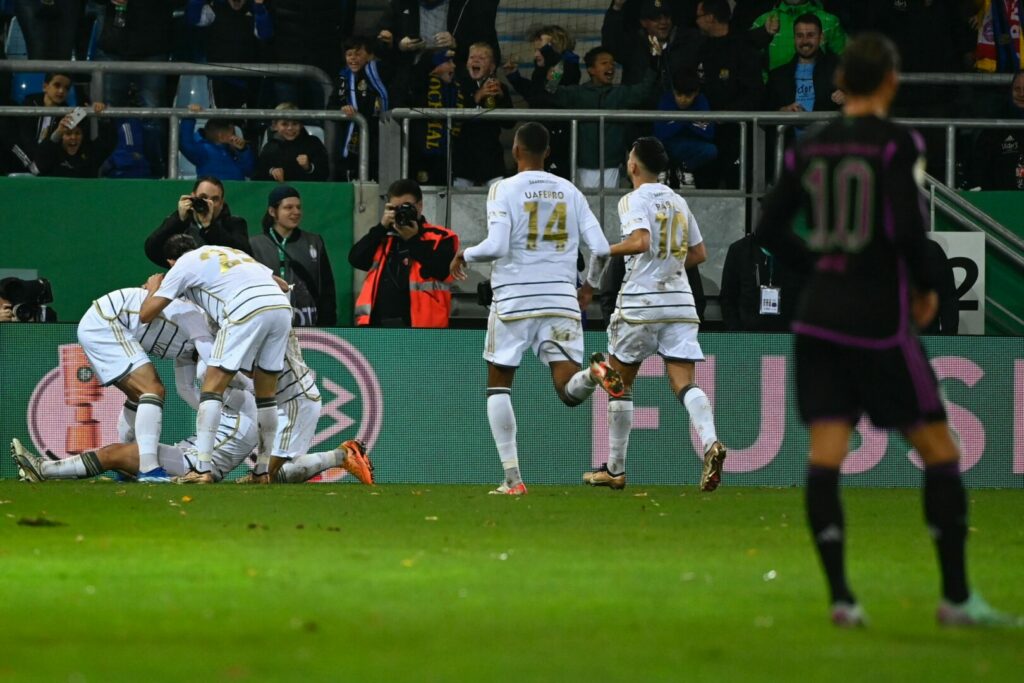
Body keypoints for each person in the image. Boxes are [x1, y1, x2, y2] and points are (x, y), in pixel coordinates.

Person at [753, 33, 1020, 627]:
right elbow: (905, 229)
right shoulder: (898, 144)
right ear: (892, 82)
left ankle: (843, 600)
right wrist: (929, 288)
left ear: (840, 82)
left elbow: (769, 227)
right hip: (876, 318)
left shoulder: (809, 148)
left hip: (819, 318)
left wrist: (820, 264)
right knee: (938, 449)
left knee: (826, 455)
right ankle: (956, 598)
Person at [449, 122, 624, 495]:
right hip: (561, 300)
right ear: (547, 153)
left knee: (498, 388)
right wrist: (589, 285)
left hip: (514, 300)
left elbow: (496, 246)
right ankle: (594, 374)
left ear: (516, 150)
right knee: (567, 390)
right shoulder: (571, 191)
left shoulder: (503, 189)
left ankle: (513, 479)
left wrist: (465, 253)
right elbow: (603, 249)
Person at [583, 137, 726, 493]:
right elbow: (700, 252)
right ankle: (711, 442)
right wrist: (669, 267)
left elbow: (641, 241)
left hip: (641, 303)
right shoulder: (677, 200)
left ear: (633, 166)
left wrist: (606, 250)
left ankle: (615, 469)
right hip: (680, 301)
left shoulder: (632, 199)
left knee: (618, 382)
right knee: (684, 382)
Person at [140, 234, 293, 484]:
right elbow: (283, 285)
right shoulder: (228, 250)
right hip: (280, 309)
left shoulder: (181, 266)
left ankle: (202, 469)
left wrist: (155, 288)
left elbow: (146, 314)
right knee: (266, 396)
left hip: (245, 308)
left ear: (170, 261)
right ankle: (262, 471)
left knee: (211, 386)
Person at [75, 286, 214, 481]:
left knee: (138, 396)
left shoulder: (189, 349)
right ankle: (148, 468)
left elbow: (186, 389)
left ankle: (125, 467)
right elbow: (213, 368)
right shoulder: (199, 322)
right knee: (152, 390)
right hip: (108, 320)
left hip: (101, 322)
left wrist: (215, 416)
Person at [11, 375, 258, 484]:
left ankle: (43, 470)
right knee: (118, 454)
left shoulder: (250, 403)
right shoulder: (238, 401)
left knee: (115, 453)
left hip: (193, 467)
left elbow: (216, 371)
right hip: (185, 456)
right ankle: (45, 470)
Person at [234, 330, 374, 485]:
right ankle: (342, 455)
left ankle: (343, 455)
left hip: (295, 401)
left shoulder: (268, 321)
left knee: (268, 476)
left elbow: (252, 371)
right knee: (276, 474)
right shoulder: (261, 320)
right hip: (285, 401)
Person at [350, 178, 459, 328]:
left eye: (406, 207)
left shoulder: (441, 237)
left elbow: (443, 270)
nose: (401, 212)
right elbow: (356, 259)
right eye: (395, 208)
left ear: (419, 206)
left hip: (423, 329)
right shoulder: (383, 238)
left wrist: (412, 240)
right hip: (377, 327)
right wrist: (381, 227)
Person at [250, 185, 338, 327]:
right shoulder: (255, 245)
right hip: (268, 325)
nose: (296, 212)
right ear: (272, 211)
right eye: (288, 207)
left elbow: (327, 289)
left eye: (298, 207)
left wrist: (328, 324)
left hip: (307, 326)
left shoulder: (314, 242)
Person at [503, 25, 581, 179]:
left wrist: (547, 50)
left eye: (540, 50)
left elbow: (551, 91)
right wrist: (515, 78)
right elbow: (537, 95)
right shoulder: (541, 70)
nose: (536, 54)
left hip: (559, 142)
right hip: (540, 140)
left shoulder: (568, 65)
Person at [145, 176, 252, 268]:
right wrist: (178, 219)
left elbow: (244, 256)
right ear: (192, 197)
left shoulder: (234, 223)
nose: (208, 203)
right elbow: (152, 250)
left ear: (221, 203)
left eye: (214, 199)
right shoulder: (179, 224)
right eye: (203, 197)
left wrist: (209, 227)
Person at [330, 35, 393, 182]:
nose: (353, 58)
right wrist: (342, 108)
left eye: (358, 54)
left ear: (370, 55)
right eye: (349, 54)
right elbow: (331, 105)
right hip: (351, 142)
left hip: (379, 137)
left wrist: (387, 45)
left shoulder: (380, 72)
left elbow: (394, 63)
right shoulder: (343, 77)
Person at [453, 42, 512, 187]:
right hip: (463, 159)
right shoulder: (456, 85)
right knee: (459, 202)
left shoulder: (499, 87)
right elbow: (455, 117)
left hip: (491, 159)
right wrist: (477, 97)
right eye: (472, 57)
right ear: (466, 63)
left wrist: (501, 98)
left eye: (482, 58)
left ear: (492, 67)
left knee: (498, 198)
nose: (476, 60)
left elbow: (510, 123)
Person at [719, 233, 806, 331]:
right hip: (748, 334)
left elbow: (807, 295)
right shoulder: (739, 250)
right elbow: (728, 296)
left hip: (787, 334)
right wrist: (737, 331)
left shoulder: (798, 251)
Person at [766, 13, 843, 114]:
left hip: (827, 130)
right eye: (799, 36)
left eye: (810, 35)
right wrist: (782, 111)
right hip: (788, 130)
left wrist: (847, 98)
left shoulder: (839, 73)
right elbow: (763, 109)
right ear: (794, 38)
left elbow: (863, 102)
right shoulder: (777, 76)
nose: (805, 41)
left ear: (821, 37)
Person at [653, 69, 718, 181]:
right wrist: (689, 120)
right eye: (679, 94)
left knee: (711, 150)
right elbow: (659, 133)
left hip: (691, 147)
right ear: (673, 90)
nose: (683, 99)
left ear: (696, 92)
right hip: (669, 147)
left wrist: (677, 121)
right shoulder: (666, 99)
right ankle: (665, 169)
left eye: (688, 95)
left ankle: (685, 169)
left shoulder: (702, 101)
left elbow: (709, 133)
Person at [750, 0, 847, 73]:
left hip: (820, 96)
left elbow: (850, 62)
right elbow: (747, 64)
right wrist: (766, 90)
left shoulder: (829, 21)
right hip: (775, 95)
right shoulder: (763, 21)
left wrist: (841, 89)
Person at [252, 103, 330, 182]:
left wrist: (309, 167)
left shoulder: (313, 143)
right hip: (279, 192)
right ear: (275, 126)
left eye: (295, 123)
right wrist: (271, 171)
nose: (290, 128)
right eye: (284, 124)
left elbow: (325, 174)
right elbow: (257, 176)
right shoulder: (269, 148)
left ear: (301, 125)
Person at [178, 105, 255, 181]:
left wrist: (243, 150)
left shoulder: (236, 152)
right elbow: (185, 144)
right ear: (220, 135)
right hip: (210, 193)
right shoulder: (203, 151)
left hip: (237, 192)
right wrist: (189, 116)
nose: (234, 135)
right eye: (231, 131)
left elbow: (249, 171)